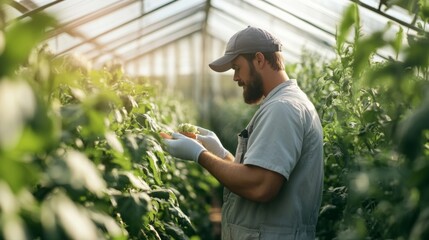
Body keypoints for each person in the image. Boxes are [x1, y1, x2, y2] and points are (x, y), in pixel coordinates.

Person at [163, 26, 324, 240]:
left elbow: (261, 185)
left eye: (237, 68)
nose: (235, 78)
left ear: (259, 60)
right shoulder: (283, 104)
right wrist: (222, 155)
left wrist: (200, 156)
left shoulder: (282, 108)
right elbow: (258, 173)